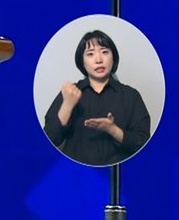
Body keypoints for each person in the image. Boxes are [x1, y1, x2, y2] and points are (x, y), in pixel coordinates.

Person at [43, 30, 150, 166]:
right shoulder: (70, 93)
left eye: (104, 52)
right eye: (90, 54)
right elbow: (49, 140)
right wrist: (67, 105)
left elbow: (144, 144)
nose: (99, 60)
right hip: (75, 174)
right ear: (82, 61)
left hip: (118, 174)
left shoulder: (131, 95)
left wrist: (113, 130)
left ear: (113, 57)